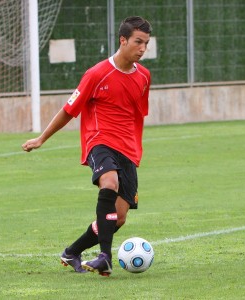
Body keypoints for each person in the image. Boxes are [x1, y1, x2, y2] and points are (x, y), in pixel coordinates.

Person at [22, 16, 152, 277]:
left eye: (146, 43)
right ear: (123, 40)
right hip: (99, 141)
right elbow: (69, 110)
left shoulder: (144, 77)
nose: (142, 49)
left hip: (128, 150)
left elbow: (137, 115)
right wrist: (41, 139)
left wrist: (135, 151)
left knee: (119, 217)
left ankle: (71, 252)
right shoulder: (96, 74)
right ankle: (105, 256)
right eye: (138, 42)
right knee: (109, 182)